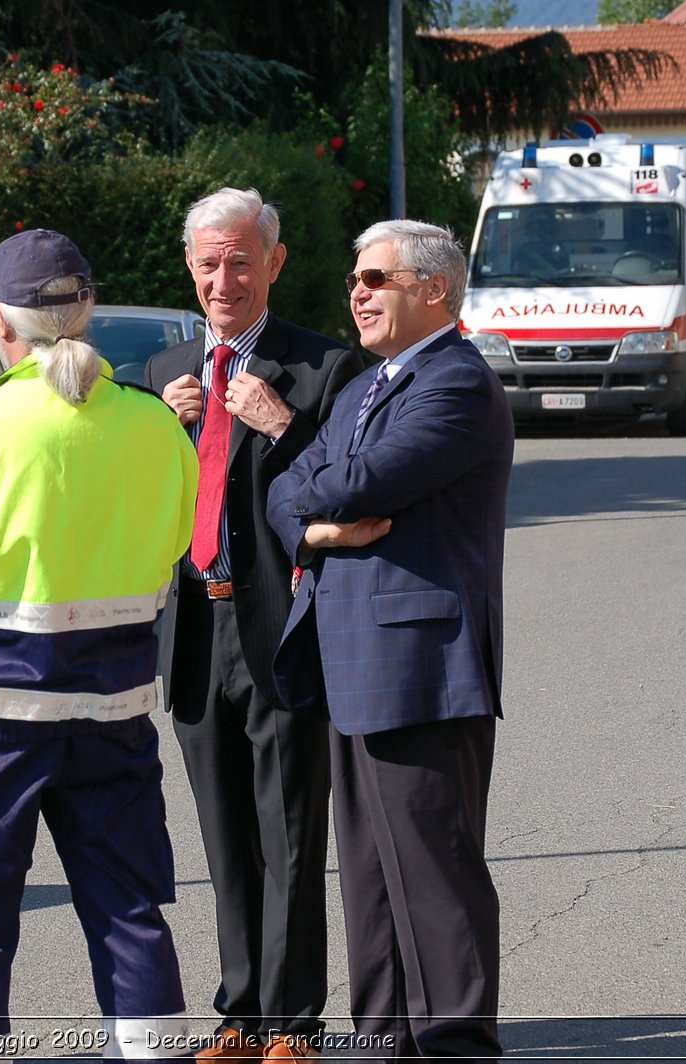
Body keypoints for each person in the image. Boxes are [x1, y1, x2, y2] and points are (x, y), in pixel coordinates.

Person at [0, 229, 199, 1061]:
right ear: (88, 311)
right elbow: (176, 541)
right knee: (127, 909)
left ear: (1, 325)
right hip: (115, 713)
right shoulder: (152, 425)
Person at [266, 219, 513, 1061]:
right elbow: (290, 490)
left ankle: (454, 1047)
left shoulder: (456, 383)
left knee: (434, 876)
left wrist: (311, 501)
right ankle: (382, 1046)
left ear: (434, 290)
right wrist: (321, 534)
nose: (358, 293)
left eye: (377, 278)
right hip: (349, 658)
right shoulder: (364, 386)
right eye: (354, 280)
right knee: (371, 879)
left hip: (421, 666)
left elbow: (358, 480)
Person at [144, 187, 365, 1063]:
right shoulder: (165, 372)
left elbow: (344, 482)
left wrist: (279, 425)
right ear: (191, 271)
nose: (224, 278)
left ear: (274, 263)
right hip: (194, 627)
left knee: (290, 831)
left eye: (241, 260)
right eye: (209, 263)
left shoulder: (322, 368)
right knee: (225, 836)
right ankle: (238, 1015)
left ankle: (293, 1024)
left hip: (279, 627)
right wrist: (158, 433)